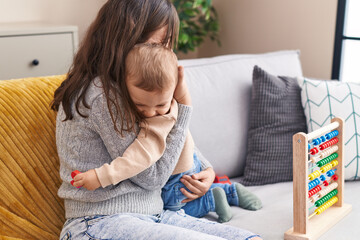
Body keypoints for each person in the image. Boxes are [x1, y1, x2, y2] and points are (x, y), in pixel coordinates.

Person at [52, 0, 262, 239]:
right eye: (156, 44)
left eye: (167, 45)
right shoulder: (102, 95)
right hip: (97, 223)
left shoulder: (133, 88)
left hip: (153, 215)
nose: (165, 54)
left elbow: (160, 134)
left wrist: (205, 168)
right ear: (126, 38)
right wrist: (183, 108)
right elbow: (151, 177)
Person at [71, 43, 262, 223]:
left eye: (160, 105)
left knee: (172, 206)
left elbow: (140, 156)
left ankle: (211, 199)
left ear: (173, 89)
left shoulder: (159, 121)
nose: (150, 112)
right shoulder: (173, 105)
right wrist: (206, 168)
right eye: (140, 104)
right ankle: (231, 191)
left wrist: (100, 176)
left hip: (179, 174)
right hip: (191, 163)